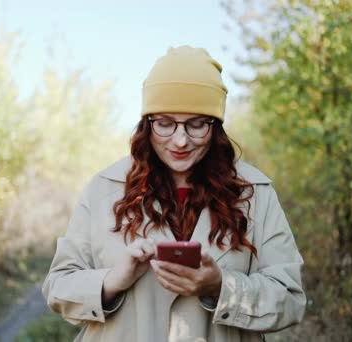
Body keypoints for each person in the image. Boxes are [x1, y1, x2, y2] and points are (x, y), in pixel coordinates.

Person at [42, 46, 306, 341]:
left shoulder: (255, 194)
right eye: (165, 123)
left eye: (196, 125)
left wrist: (220, 287)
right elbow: (58, 287)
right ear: (147, 124)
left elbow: (290, 299)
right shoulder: (103, 189)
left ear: (215, 126)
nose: (180, 140)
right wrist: (113, 281)